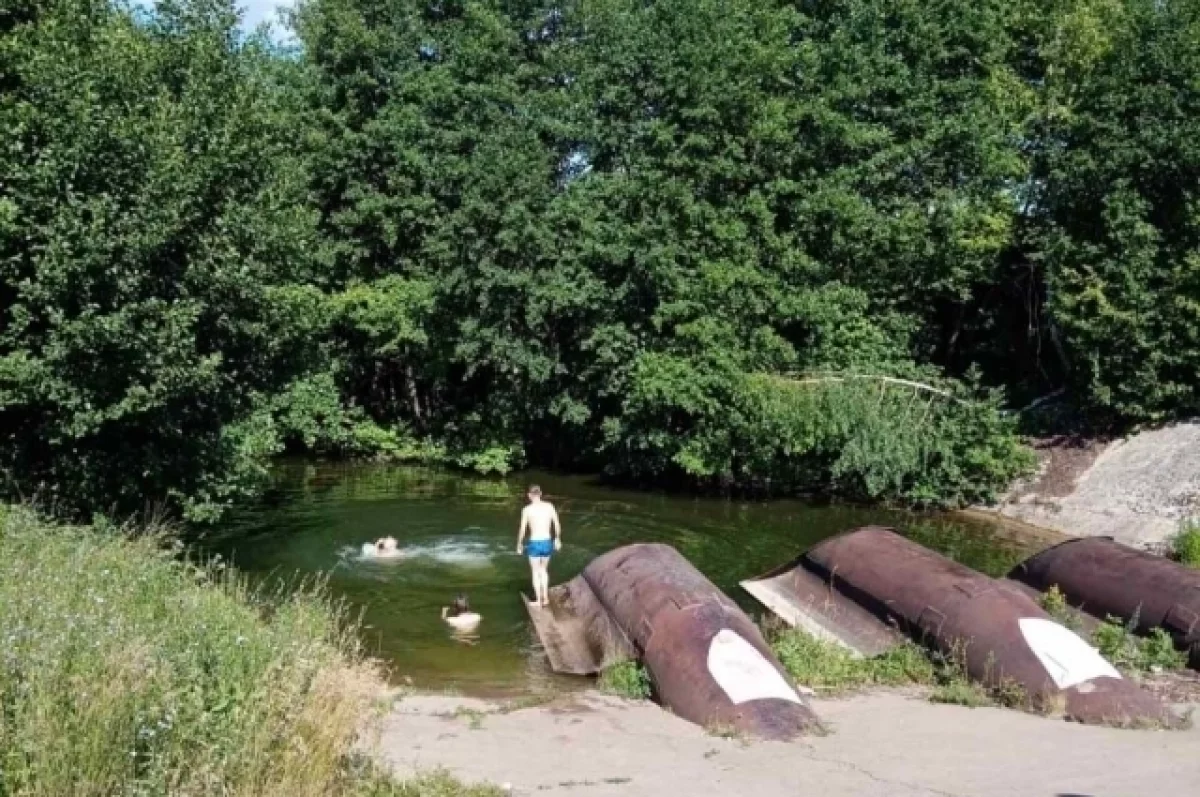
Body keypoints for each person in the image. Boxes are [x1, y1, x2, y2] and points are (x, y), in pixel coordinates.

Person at [516, 485, 561, 608]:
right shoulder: (549, 506)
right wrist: (557, 538)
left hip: (534, 543)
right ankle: (545, 598)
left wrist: (519, 544)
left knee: (536, 573)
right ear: (540, 493)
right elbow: (556, 524)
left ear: (529, 495)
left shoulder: (527, 510)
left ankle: (539, 601)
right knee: (544, 571)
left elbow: (522, 529)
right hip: (547, 541)